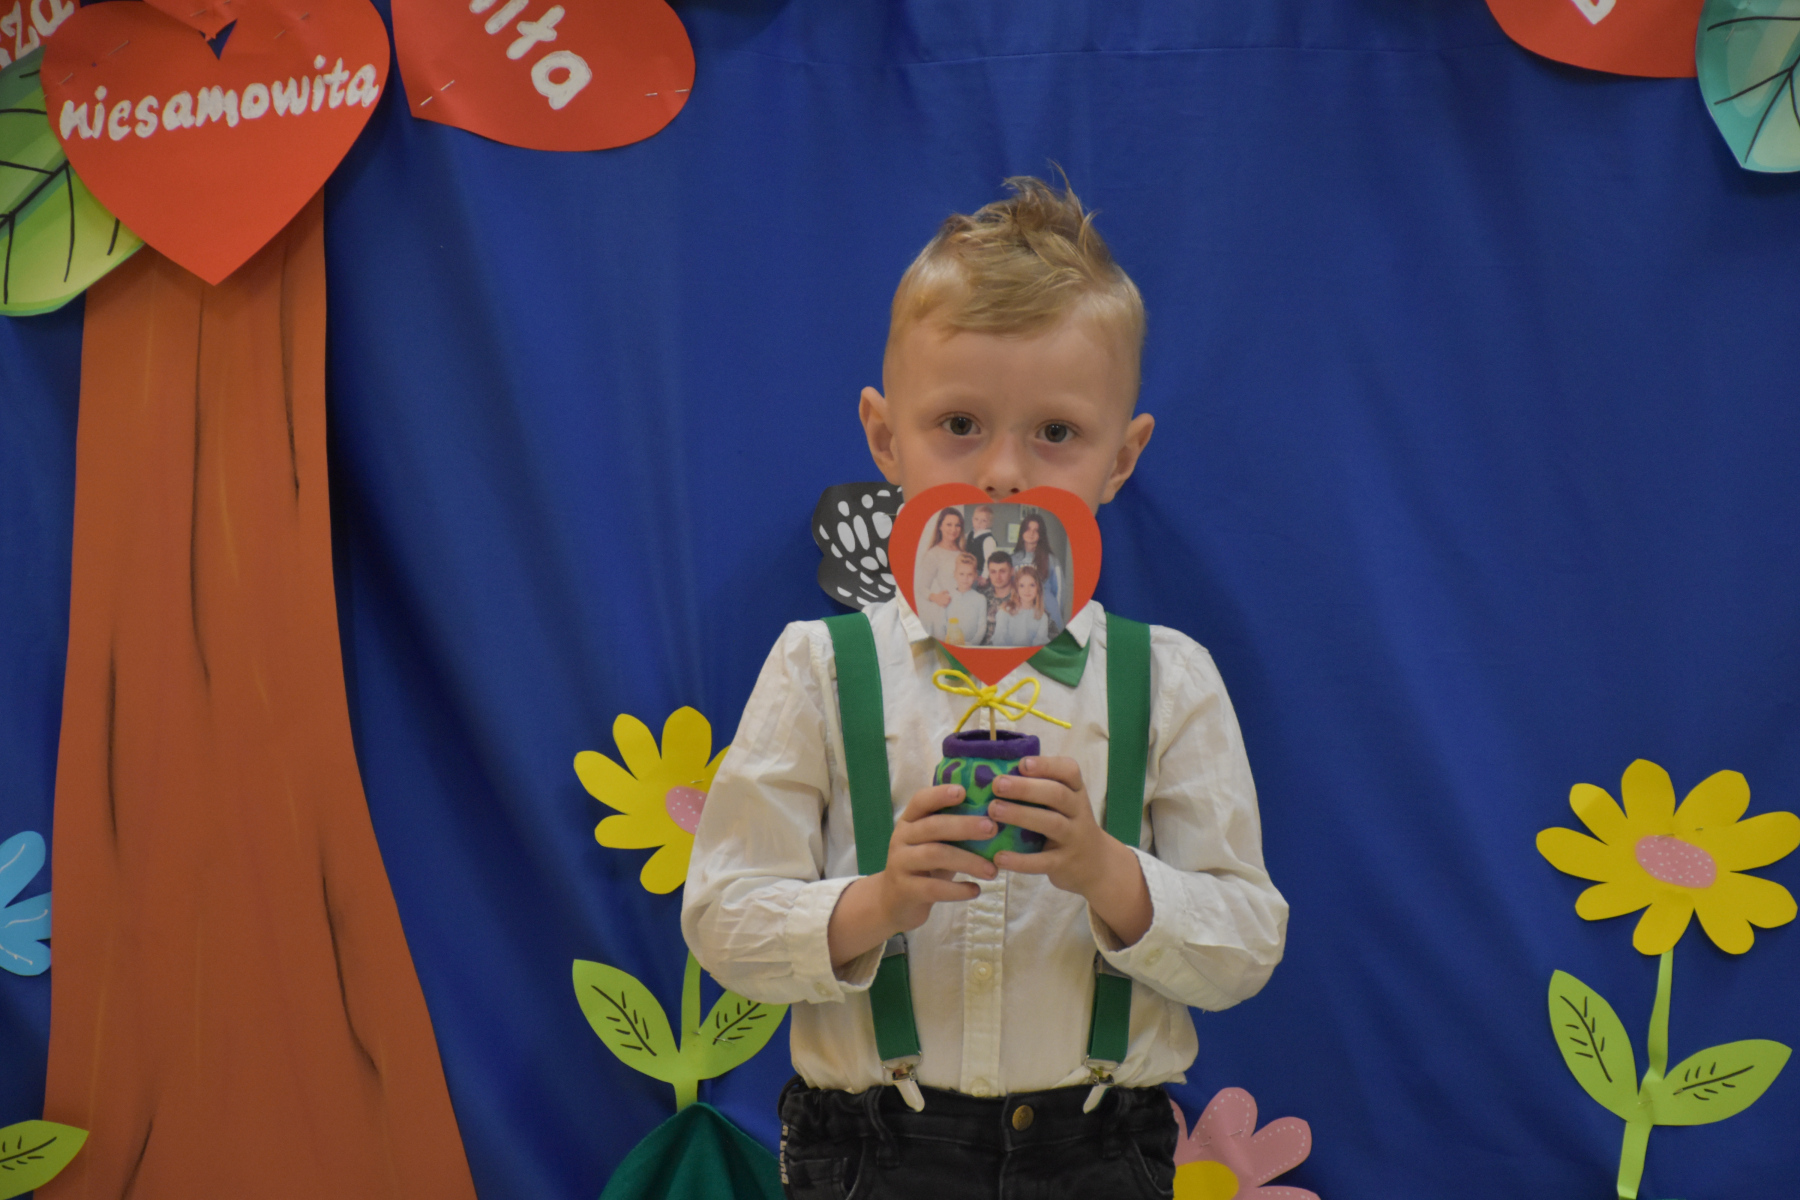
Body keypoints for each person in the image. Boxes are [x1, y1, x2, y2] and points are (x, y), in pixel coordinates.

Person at [683, 176, 1286, 1200]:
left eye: (1055, 433)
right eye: (959, 423)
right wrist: (877, 902)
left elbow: (1245, 946)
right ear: (885, 438)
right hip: (871, 1152)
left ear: (1122, 457)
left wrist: (1109, 874)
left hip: (1100, 1152)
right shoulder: (817, 668)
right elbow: (722, 922)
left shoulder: (1168, 678)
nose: (1005, 472)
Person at [913, 508, 966, 638]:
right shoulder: (934, 554)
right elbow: (920, 586)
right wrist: (935, 597)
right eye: (949, 524)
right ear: (940, 526)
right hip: (945, 612)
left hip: (965, 609)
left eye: (957, 525)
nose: (953, 529)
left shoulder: (963, 553)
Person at [1011, 512, 1064, 618]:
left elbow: (1060, 591)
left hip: (1048, 610)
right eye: (1028, 529)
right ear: (1022, 532)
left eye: (1036, 530)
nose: (1031, 533)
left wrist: (1055, 613)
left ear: (1041, 534)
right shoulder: (1012, 559)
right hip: (1021, 611)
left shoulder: (1051, 559)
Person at [991, 565, 1054, 648]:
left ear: (1038, 588)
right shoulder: (1005, 611)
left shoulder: (1042, 616)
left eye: (1032, 585)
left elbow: (1040, 643)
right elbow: (999, 641)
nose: (1027, 590)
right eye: (1022, 585)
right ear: (1016, 588)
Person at [975, 551, 1015, 646]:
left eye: (1002, 571)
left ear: (1012, 571)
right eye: (993, 572)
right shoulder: (980, 597)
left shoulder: (1023, 598)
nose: (998, 577)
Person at [964, 504, 999, 582]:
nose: (979, 523)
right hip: (968, 570)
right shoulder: (970, 534)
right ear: (972, 520)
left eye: (983, 521)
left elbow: (989, 560)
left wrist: (984, 576)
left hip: (979, 573)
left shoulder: (988, 540)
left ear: (989, 523)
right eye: (976, 519)